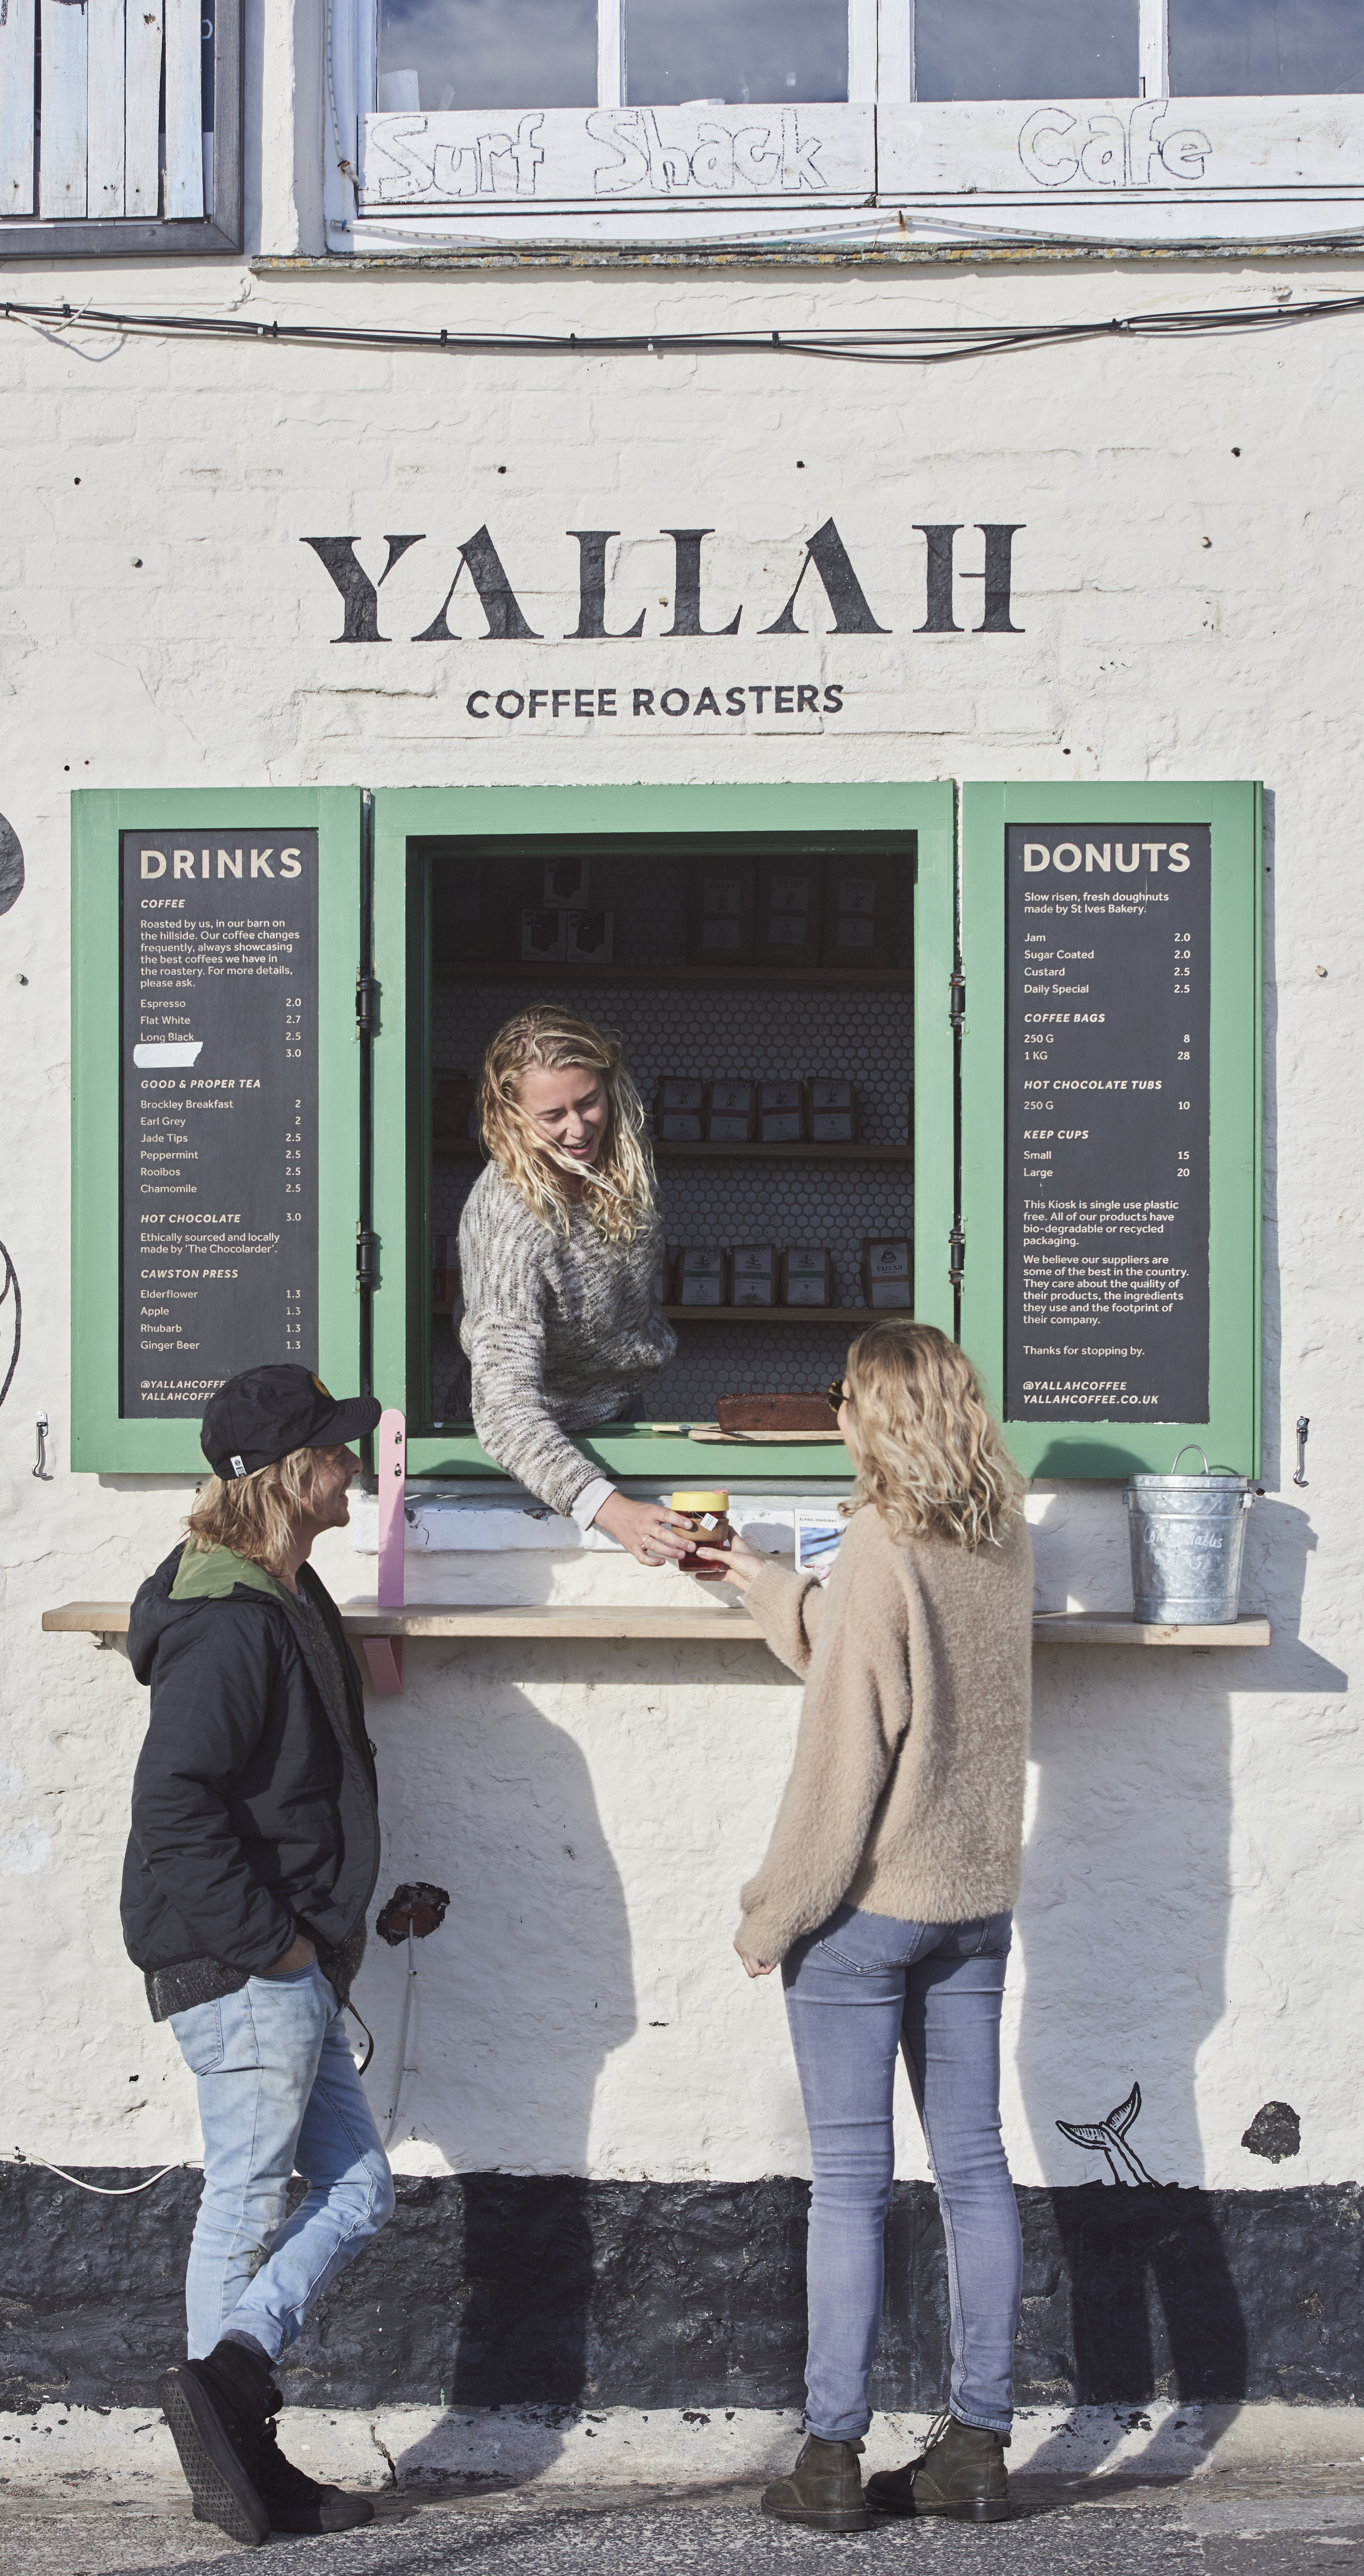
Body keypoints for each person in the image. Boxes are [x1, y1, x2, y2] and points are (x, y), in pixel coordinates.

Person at [699, 1320, 1033, 2531]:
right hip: (973, 1906)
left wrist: (774, 1912)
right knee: (975, 2164)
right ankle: (979, 2448)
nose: (833, 1415)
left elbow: (846, 1753)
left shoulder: (882, 1543)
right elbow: (874, 1648)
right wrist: (764, 1583)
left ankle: (831, 2456)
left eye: (843, 1400)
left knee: (847, 2183)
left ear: (873, 1416)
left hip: (866, 1913)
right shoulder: (998, 1538)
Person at [122, 1363, 394, 2547]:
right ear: (295, 1474)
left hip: (287, 1958)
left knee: (357, 2188)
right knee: (244, 2197)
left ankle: (234, 2406)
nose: (355, 1464)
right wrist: (274, 1942)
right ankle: (230, 2443)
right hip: (246, 1960)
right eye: (337, 1449)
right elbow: (174, 1804)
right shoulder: (230, 1624)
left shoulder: (283, 1592)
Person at [457, 1006, 695, 1567]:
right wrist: (615, 1511)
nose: (578, 1126)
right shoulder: (509, 1218)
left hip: (621, 1409)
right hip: (539, 1442)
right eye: (553, 1114)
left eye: (589, 1101)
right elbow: (504, 1410)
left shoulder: (620, 1161)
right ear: (511, 1115)